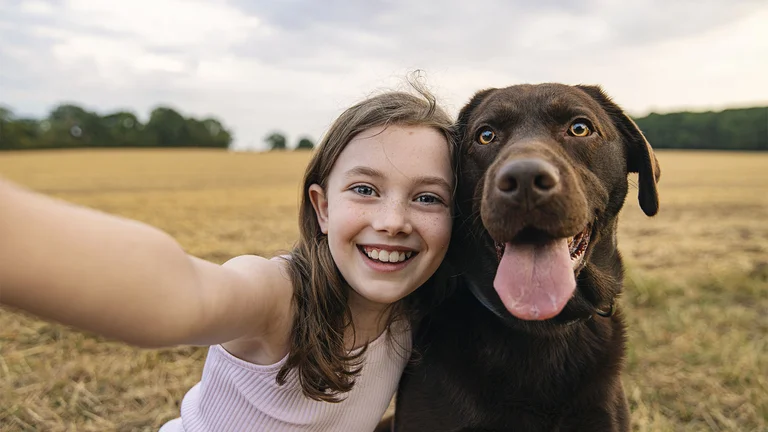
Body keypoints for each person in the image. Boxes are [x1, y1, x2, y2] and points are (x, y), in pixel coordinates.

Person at [0, 82, 456, 431]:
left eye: (429, 198)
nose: (394, 220)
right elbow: (182, 293)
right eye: (364, 189)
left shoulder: (415, 313)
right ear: (322, 207)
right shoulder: (277, 298)